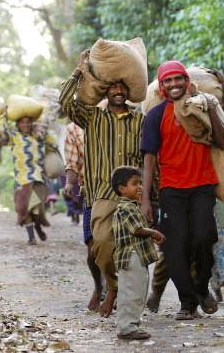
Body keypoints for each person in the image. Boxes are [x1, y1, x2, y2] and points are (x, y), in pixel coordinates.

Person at [141, 60, 224, 320]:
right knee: (174, 248)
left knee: (204, 238)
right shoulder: (156, 115)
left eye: (177, 79)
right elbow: (148, 159)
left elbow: (223, 141)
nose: (173, 84)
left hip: (202, 186)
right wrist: (146, 198)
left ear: (186, 81)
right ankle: (187, 303)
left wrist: (212, 107)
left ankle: (201, 288)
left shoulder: (201, 108)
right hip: (171, 190)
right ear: (162, 86)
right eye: (167, 81)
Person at [59, 50, 144, 317]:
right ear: (105, 92)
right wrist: (78, 71)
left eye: (122, 87)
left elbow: (150, 159)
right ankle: (113, 287)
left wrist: (150, 197)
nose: (118, 91)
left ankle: (126, 303)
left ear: (128, 91)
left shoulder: (140, 120)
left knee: (132, 253)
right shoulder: (92, 118)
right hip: (101, 195)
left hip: (132, 197)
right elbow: (65, 103)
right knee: (102, 249)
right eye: (112, 87)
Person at [111, 166, 165, 340]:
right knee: (131, 292)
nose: (140, 187)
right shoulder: (126, 207)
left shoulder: (132, 206)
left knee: (137, 291)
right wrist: (153, 232)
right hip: (131, 256)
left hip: (136, 257)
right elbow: (136, 229)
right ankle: (127, 327)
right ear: (122, 188)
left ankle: (132, 324)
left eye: (141, 183)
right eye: (135, 183)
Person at [63, 121, 104, 310]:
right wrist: (70, 184)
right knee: (92, 248)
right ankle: (98, 286)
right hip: (91, 192)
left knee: (117, 244)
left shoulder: (115, 115)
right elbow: (71, 163)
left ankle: (116, 289)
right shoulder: (73, 128)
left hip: (118, 191)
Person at [1, 116, 55, 244]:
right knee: (23, 208)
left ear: (32, 123)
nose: (25, 124)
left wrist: (43, 132)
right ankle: (31, 237)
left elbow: (53, 145)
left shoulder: (39, 136)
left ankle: (38, 226)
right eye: (22, 122)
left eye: (28, 122)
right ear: (18, 124)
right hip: (21, 179)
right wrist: (1, 116)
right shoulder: (14, 137)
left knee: (37, 208)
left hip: (39, 178)